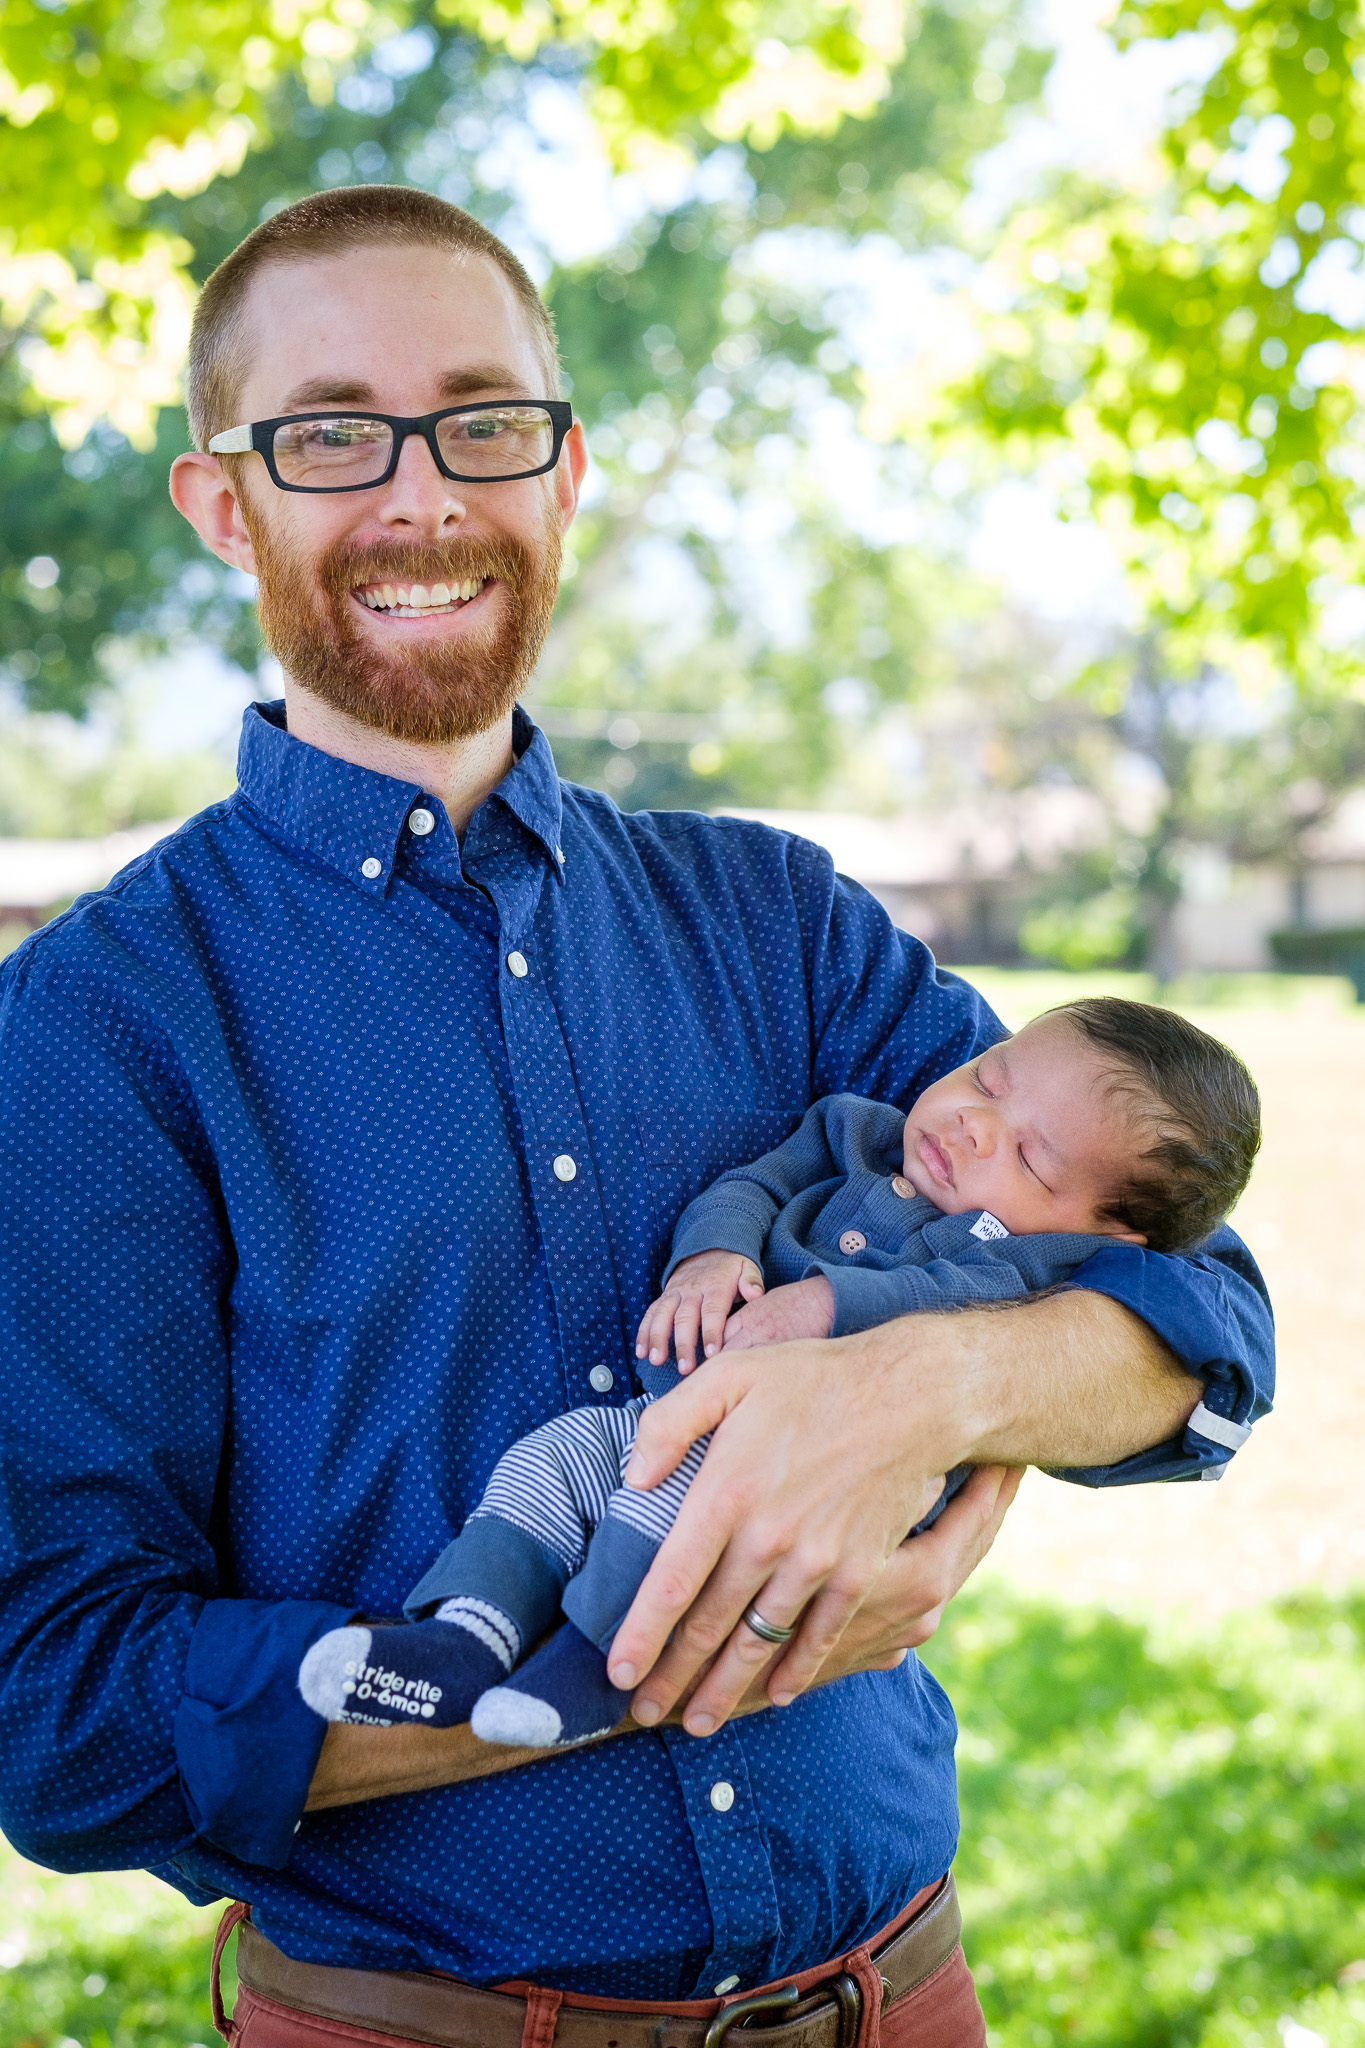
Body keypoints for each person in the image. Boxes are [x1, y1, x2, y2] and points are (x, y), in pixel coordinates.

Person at [0, 185, 1273, 2048]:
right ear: (223, 499)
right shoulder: (100, 1027)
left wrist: (924, 1391)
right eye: (332, 431)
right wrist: (629, 1643)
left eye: (481, 420)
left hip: (903, 1990)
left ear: (564, 468)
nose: (422, 494)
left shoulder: (787, 922)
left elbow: (1202, 1311)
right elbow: (58, 1707)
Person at [294, 996, 1261, 1754]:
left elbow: (952, 1298)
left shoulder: (1033, 1262)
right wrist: (711, 1259)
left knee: (669, 1507)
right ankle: (466, 1634)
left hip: (807, 1476)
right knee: (547, 1467)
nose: (973, 1126)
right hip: (658, 1414)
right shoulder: (854, 1132)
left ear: (1104, 1231)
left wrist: (825, 1307)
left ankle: (593, 1668)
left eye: (1030, 1156)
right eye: (989, 1078)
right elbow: (751, 1188)